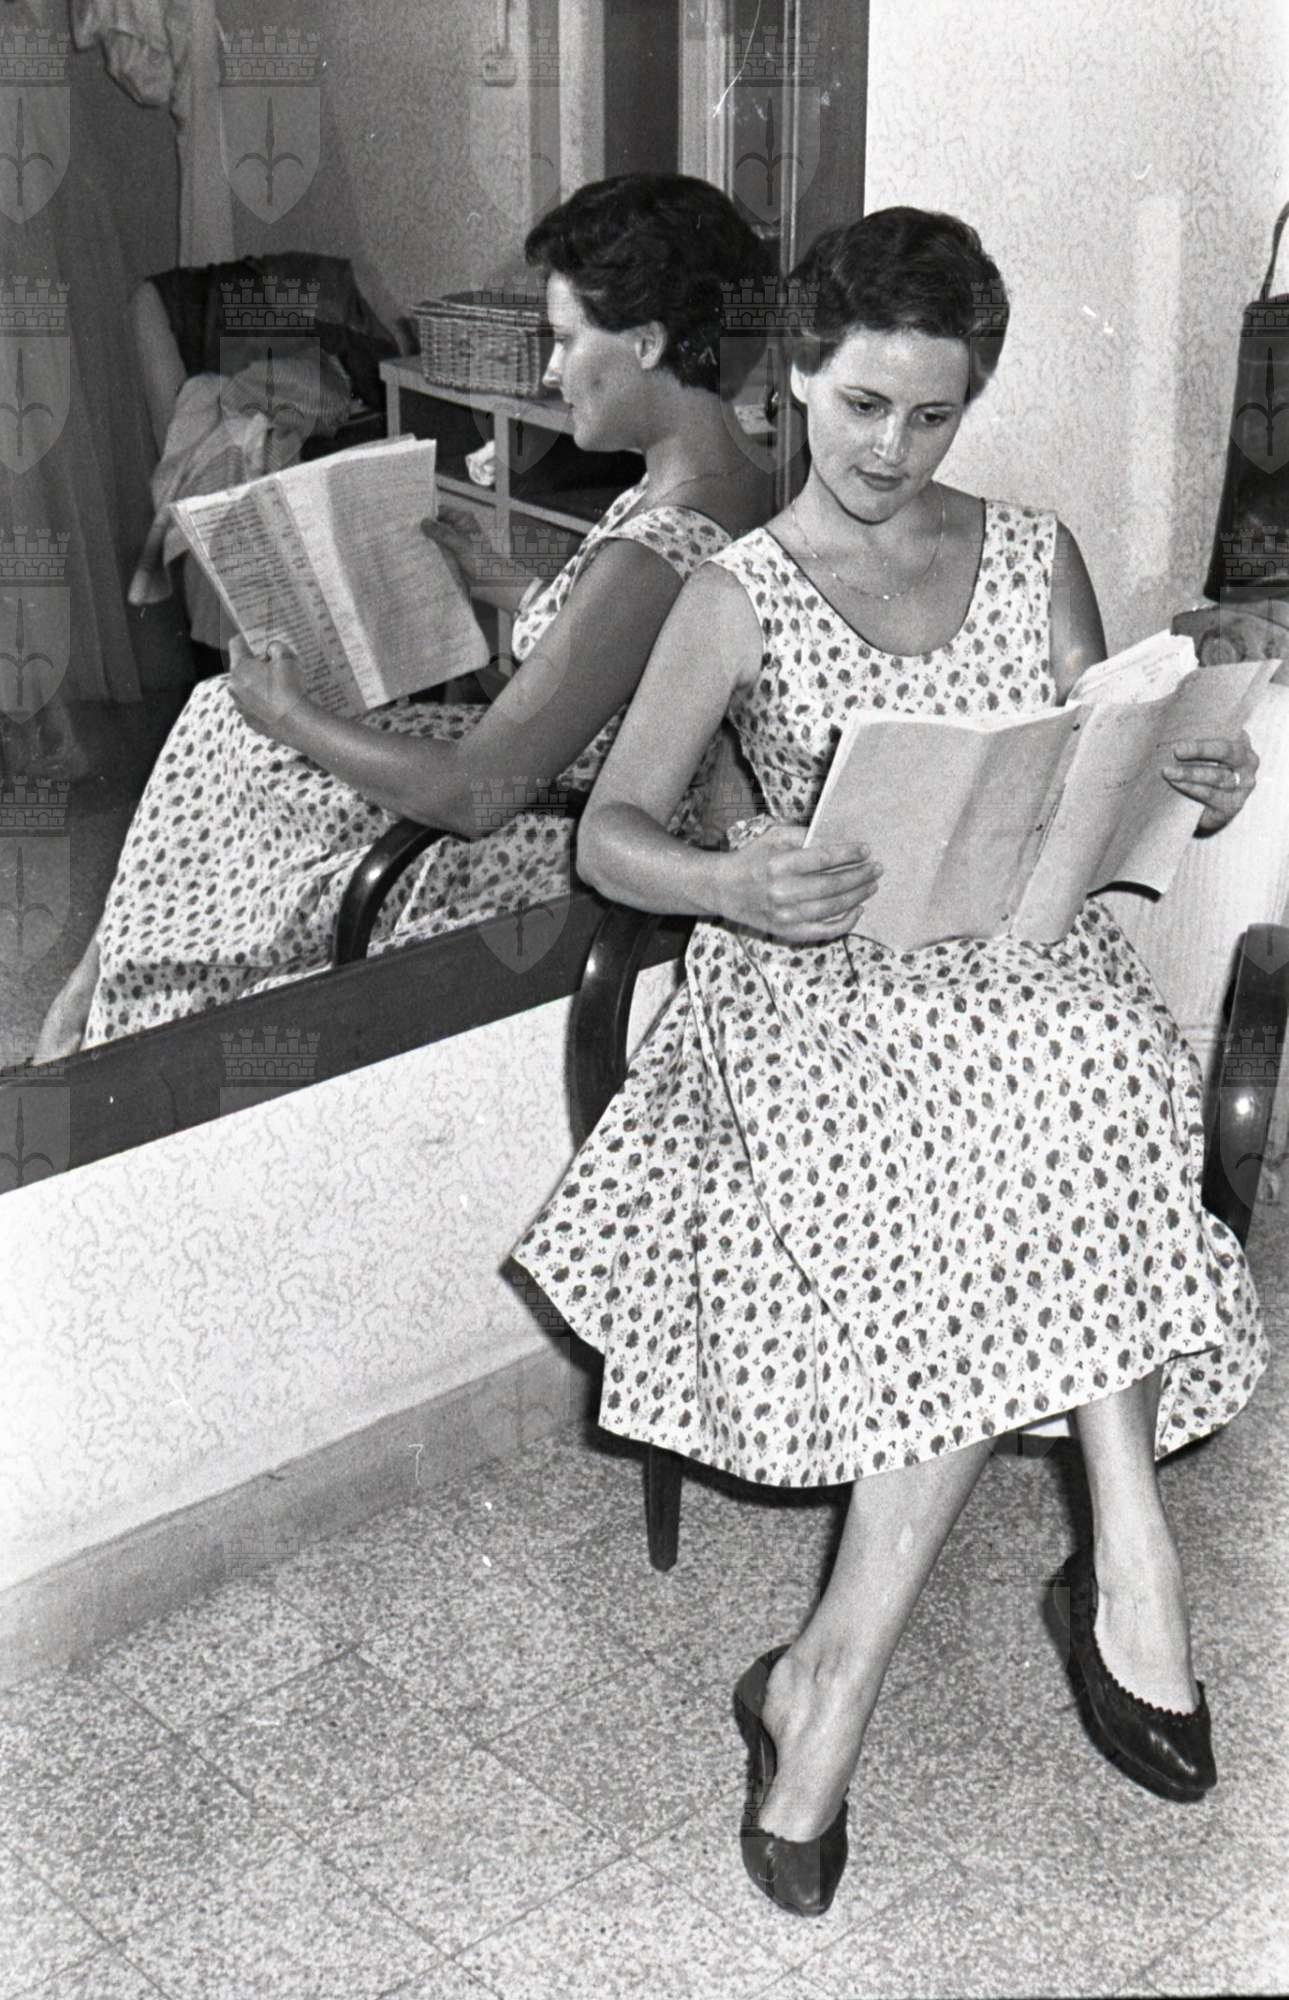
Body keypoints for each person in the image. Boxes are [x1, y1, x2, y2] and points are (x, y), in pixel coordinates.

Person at [515, 208, 1264, 1916]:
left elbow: (1093, 767)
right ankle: (1113, 1572)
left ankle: (840, 1678)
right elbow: (611, 835)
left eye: (932, 414)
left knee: (1086, 1069)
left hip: (1010, 964)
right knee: (1019, 1125)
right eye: (861, 405)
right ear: (795, 374)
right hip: (814, 990)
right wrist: (732, 884)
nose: (889, 449)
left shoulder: (1028, 551)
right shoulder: (733, 593)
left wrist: (1193, 782)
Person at [34, 174, 772, 1058]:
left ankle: (107, 1016)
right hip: (554, 784)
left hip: (545, 841)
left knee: (237, 738)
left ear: (647, 342)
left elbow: (470, 794)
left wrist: (292, 715)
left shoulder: (655, 552)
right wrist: (497, 580)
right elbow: (615, 666)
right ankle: (101, 991)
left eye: (565, 340)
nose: (548, 372)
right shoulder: (733, 482)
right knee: (222, 729)